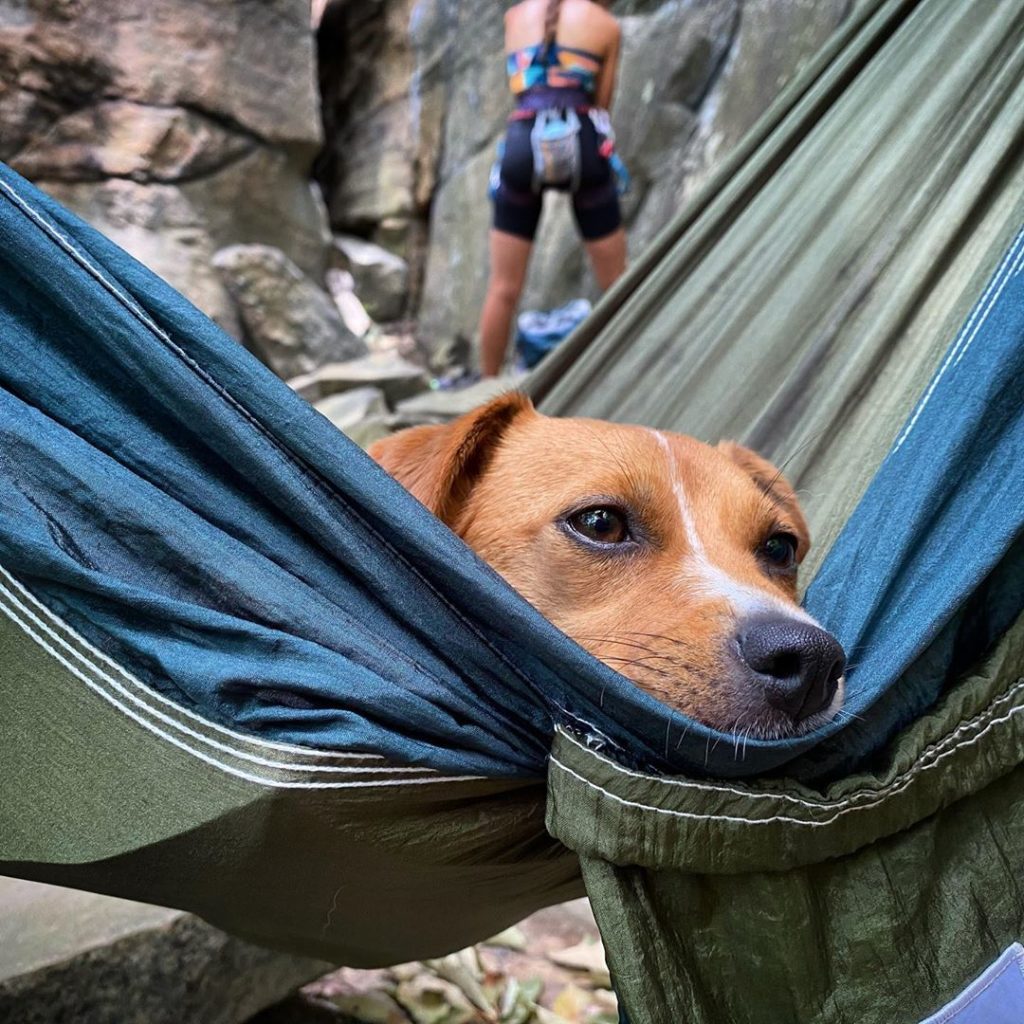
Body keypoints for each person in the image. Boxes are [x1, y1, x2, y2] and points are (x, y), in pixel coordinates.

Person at [477, 0, 626, 377]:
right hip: (584, 145)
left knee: (504, 288)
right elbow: (601, 105)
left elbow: (520, 91)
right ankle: (633, 375)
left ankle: (484, 387)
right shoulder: (605, 24)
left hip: (523, 144)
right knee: (619, 285)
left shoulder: (514, 16)